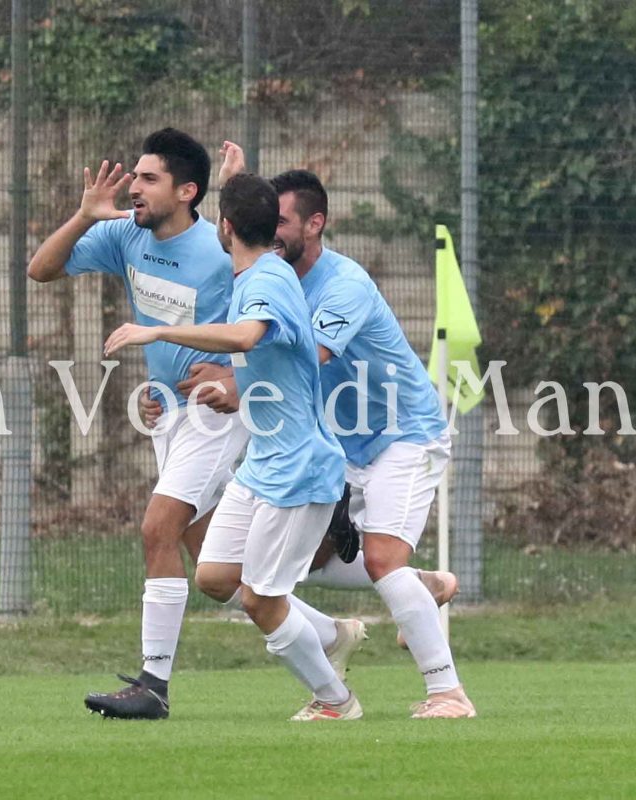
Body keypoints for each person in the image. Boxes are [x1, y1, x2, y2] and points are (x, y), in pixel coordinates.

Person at [174, 144, 474, 718]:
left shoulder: (344, 284)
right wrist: (234, 188)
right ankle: (385, 608)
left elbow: (308, 355)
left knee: (382, 559)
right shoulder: (273, 274)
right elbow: (236, 250)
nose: (273, 230)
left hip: (403, 433)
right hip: (338, 442)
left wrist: (234, 384)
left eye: (284, 220)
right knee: (257, 571)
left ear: (315, 224)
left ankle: (448, 693)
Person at [104, 173, 360, 721]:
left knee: (259, 600)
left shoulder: (265, 278)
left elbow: (245, 336)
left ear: (224, 227)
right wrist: (233, 178)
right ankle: (330, 634)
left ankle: (336, 701)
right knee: (215, 576)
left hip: (298, 467)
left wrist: (156, 332)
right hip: (263, 464)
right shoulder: (255, 272)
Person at [28, 128, 250, 720]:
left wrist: (235, 377)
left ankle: (154, 685)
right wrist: (84, 215)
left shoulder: (221, 252)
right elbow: (41, 270)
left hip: (216, 414)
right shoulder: (126, 232)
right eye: (136, 176)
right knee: (215, 569)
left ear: (187, 191)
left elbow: (276, 323)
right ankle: (327, 632)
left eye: (149, 178)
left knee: (157, 529)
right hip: (167, 414)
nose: (135, 187)